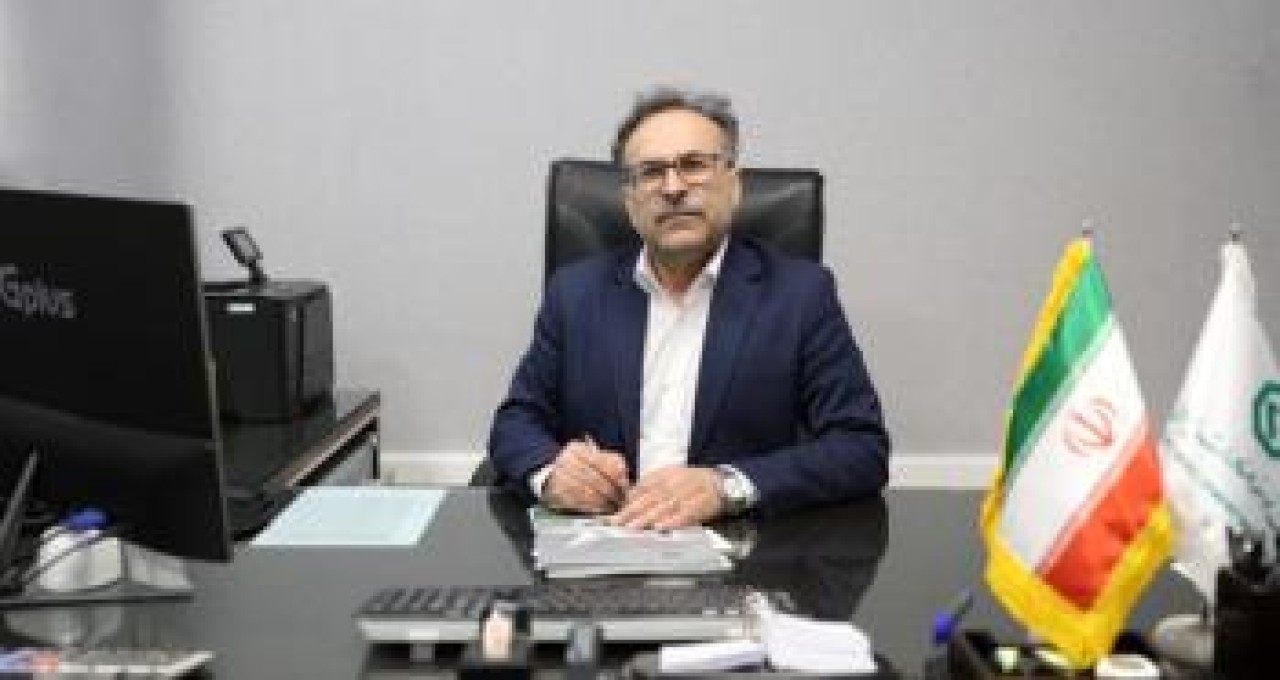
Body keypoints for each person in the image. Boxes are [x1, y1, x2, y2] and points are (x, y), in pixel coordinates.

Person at [487, 86, 890, 529]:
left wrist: (726, 487)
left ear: (734, 184)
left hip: (740, 549)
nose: (673, 187)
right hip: (601, 540)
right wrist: (551, 473)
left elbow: (860, 447)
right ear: (629, 200)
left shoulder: (800, 295)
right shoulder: (576, 293)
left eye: (694, 165)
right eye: (651, 172)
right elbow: (516, 423)